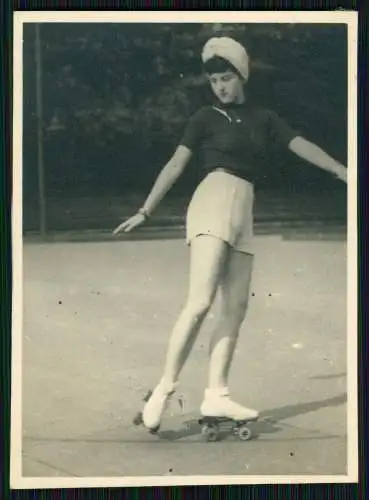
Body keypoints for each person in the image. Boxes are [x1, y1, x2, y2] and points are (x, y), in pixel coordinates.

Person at [113, 36, 347, 432]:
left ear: (241, 76)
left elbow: (300, 144)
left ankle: (216, 394)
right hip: (213, 199)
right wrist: (145, 209)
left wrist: (343, 170)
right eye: (214, 80)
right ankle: (163, 390)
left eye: (226, 78)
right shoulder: (205, 117)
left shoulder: (264, 118)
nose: (220, 86)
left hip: (244, 210)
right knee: (200, 301)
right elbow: (175, 164)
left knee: (236, 307)